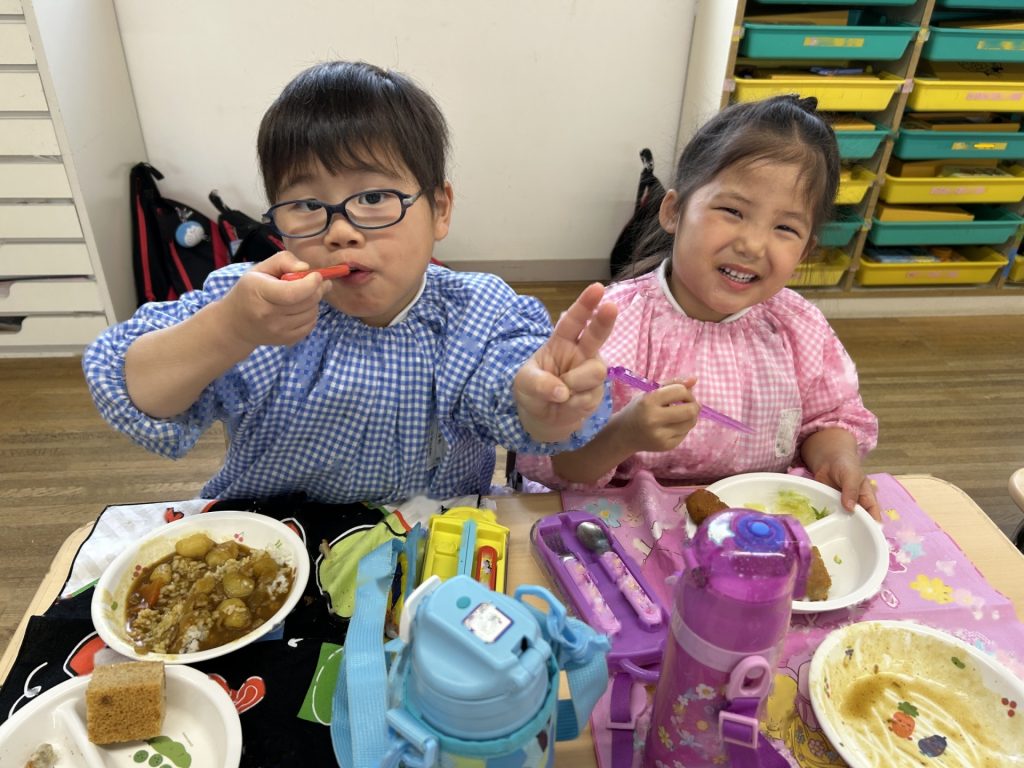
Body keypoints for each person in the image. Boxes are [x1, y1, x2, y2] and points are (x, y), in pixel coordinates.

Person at [84, 60, 616, 505]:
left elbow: (514, 392)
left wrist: (545, 405)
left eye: (374, 198)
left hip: (435, 556)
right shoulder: (254, 307)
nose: (340, 231)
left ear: (439, 209)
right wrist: (229, 330)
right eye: (306, 205)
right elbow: (134, 389)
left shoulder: (478, 313)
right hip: (271, 547)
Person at [518, 95, 880, 519]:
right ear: (673, 211)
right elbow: (560, 467)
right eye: (732, 211)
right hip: (626, 531)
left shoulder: (798, 327)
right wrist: (624, 433)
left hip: (756, 530)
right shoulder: (614, 326)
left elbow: (829, 419)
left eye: (785, 227)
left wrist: (836, 458)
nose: (752, 244)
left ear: (805, 251)